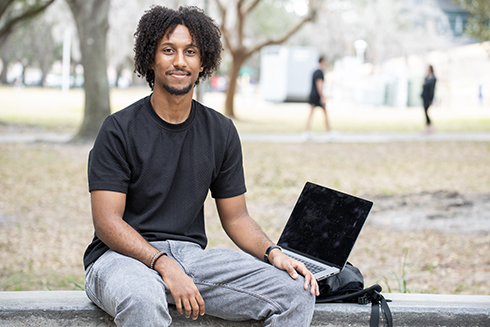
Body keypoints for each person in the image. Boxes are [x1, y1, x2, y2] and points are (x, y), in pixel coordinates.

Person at [83, 5, 318, 327]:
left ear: (203, 61)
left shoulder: (220, 131)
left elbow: (236, 217)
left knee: (296, 292)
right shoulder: (119, 129)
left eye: (190, 51)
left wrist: (273, 253)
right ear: (151, 59)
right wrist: (162, 263)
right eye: (168, 50)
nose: (180, 61)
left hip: (191, 258)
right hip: (120, 259)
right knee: (142, 298)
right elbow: (107, 222)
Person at [304, 56, 333, 140]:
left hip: (313, 95)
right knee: (324, 114)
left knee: (311, 114)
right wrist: (322, 97)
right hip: (317, 96)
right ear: (322, 61)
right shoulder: (319, 72)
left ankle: (307, 131)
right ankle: (329, 132)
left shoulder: (314, 71)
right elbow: (319, 85)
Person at [421, 65, 437, 134]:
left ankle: (430, 126)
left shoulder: (433, 78)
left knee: (426, 111)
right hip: (424, 96)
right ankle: (429, 127)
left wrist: (432, 99)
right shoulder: (426, 77)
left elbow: (432, 89)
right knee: (425, 111)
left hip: (429, 97)